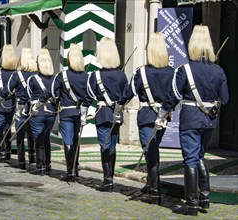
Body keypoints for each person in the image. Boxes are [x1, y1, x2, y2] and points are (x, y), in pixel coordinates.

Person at [155, 25, 229, 216]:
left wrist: (161, 115)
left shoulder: (184, 70)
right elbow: (225, 98)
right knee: (200, 156)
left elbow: (172, 96)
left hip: (190, 119)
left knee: (190, 159)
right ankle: (204, 197)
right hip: (209, 120)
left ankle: (192, 204)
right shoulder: (219, 71)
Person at [128, 32, 174, 205]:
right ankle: (151, 183)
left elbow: (129, 91)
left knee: (150, 151)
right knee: (153, 150)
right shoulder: (172, 72)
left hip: (147, 117)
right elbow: (174, 95)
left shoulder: (141, 72)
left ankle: (155, 192)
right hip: (164, 117)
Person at [83, 37, 129, 192]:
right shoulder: (121, 76)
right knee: (112, 147)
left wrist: (84, 113)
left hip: (103, 114)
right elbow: (126, 95)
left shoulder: (94, 76)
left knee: (105, 146)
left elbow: (88, 96)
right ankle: (111, 178)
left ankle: (107, 180)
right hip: (116, 114)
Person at [40, 43, 88, 181]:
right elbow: (87, 95)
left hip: (66, 112)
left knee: (67, 141)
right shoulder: (85, 76)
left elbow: (52, 93)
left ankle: (70, 172)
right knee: (75, 140)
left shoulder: (62, 76)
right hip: (79, 112)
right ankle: (76, 167)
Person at [0, 48, 38, 169]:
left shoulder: (17, 75)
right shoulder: (37, 74)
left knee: (20, 133)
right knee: (31, 132)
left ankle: (21, 161)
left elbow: (7, 89)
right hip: (34, 106)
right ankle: (32, 156)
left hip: (20, 105)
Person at [26, 48, 57, 175]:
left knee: (38, 139)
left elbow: (28, 95)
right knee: (46, 137)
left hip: (37, 111)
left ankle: (40, 167)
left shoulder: (32, 79)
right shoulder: (55, 79)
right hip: (51, 111)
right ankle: (47, 164)